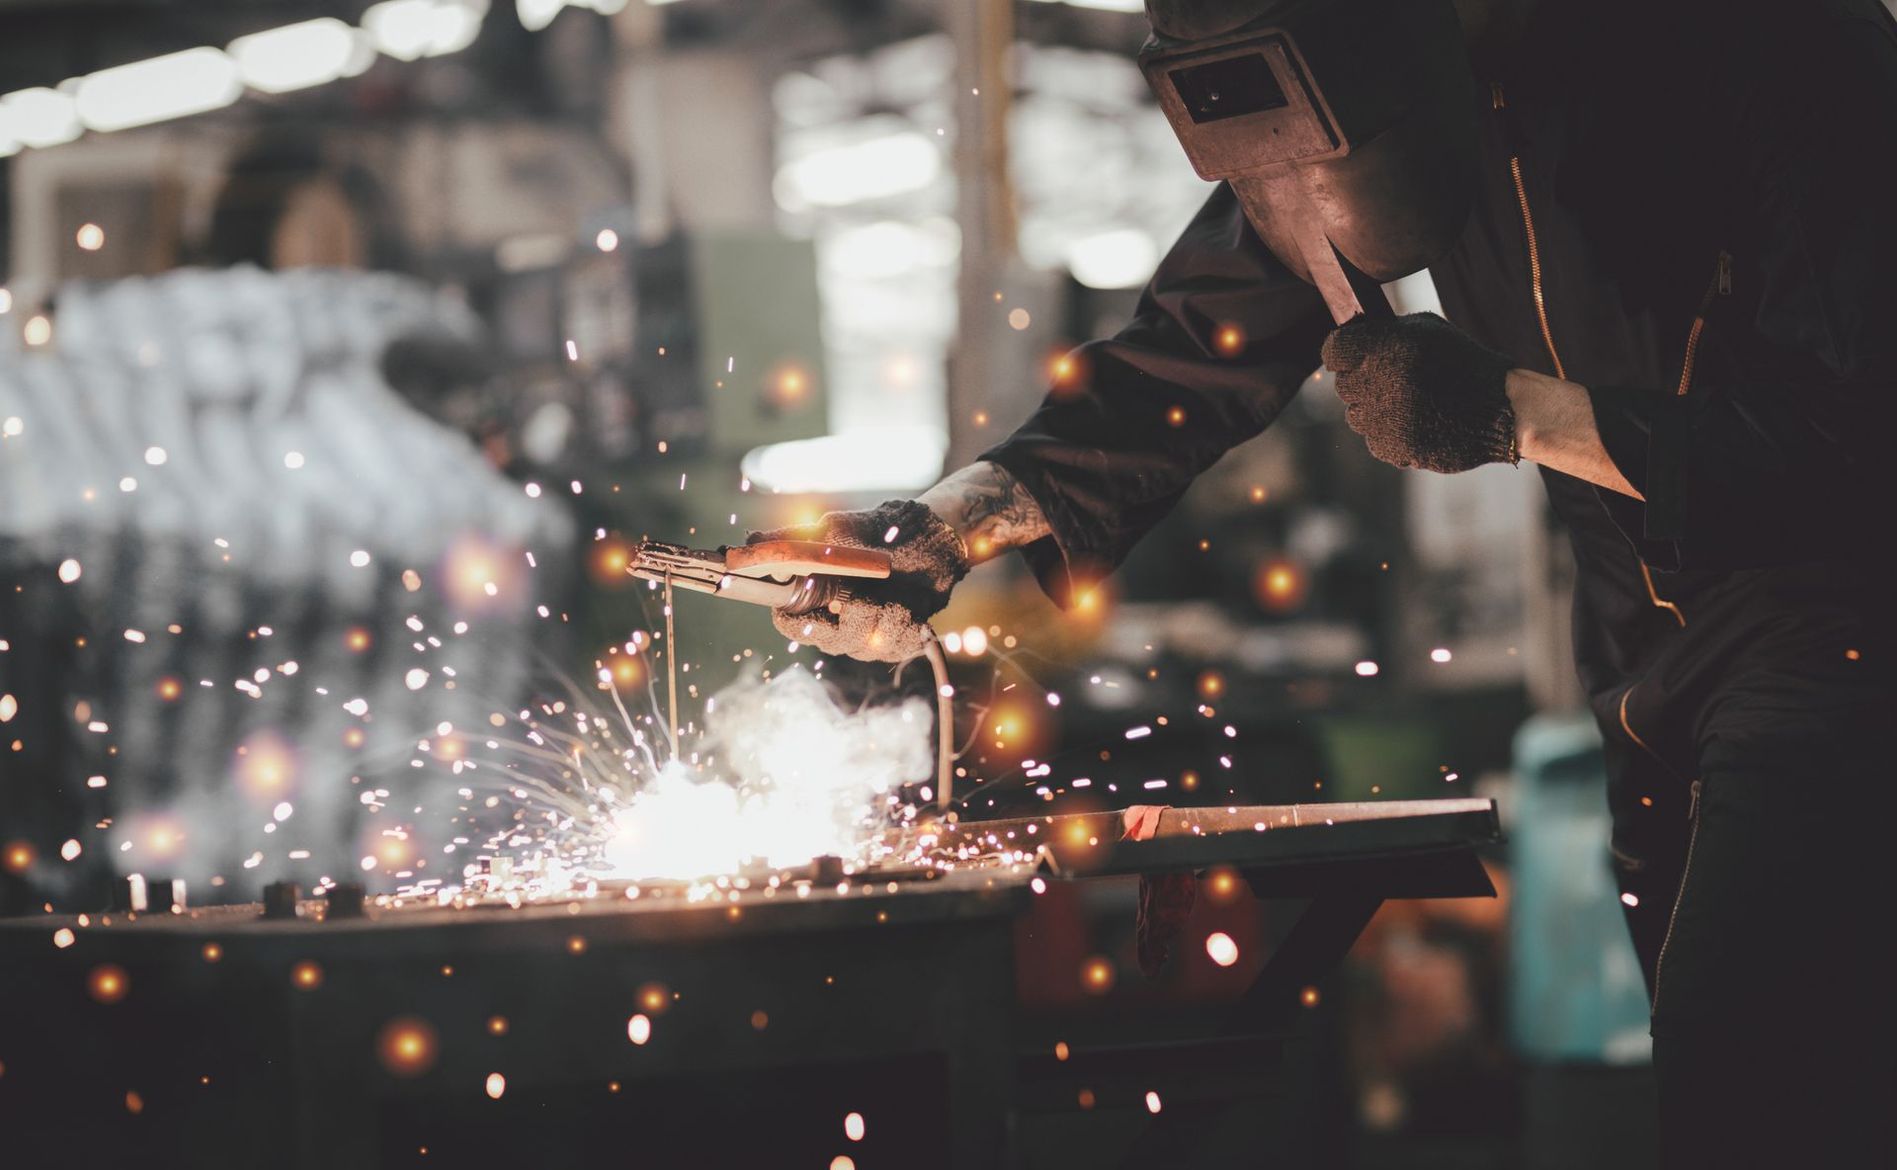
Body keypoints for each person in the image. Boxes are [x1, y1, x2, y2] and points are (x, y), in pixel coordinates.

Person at [758, 1, 1897, 1164]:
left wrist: (1522, 414)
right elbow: (1193, 347)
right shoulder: (1386, 70)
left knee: (1752, 1081)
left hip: (1843, 626)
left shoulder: (1776, 43)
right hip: (1638, 653)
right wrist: (945, 529)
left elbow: (1861, 445)